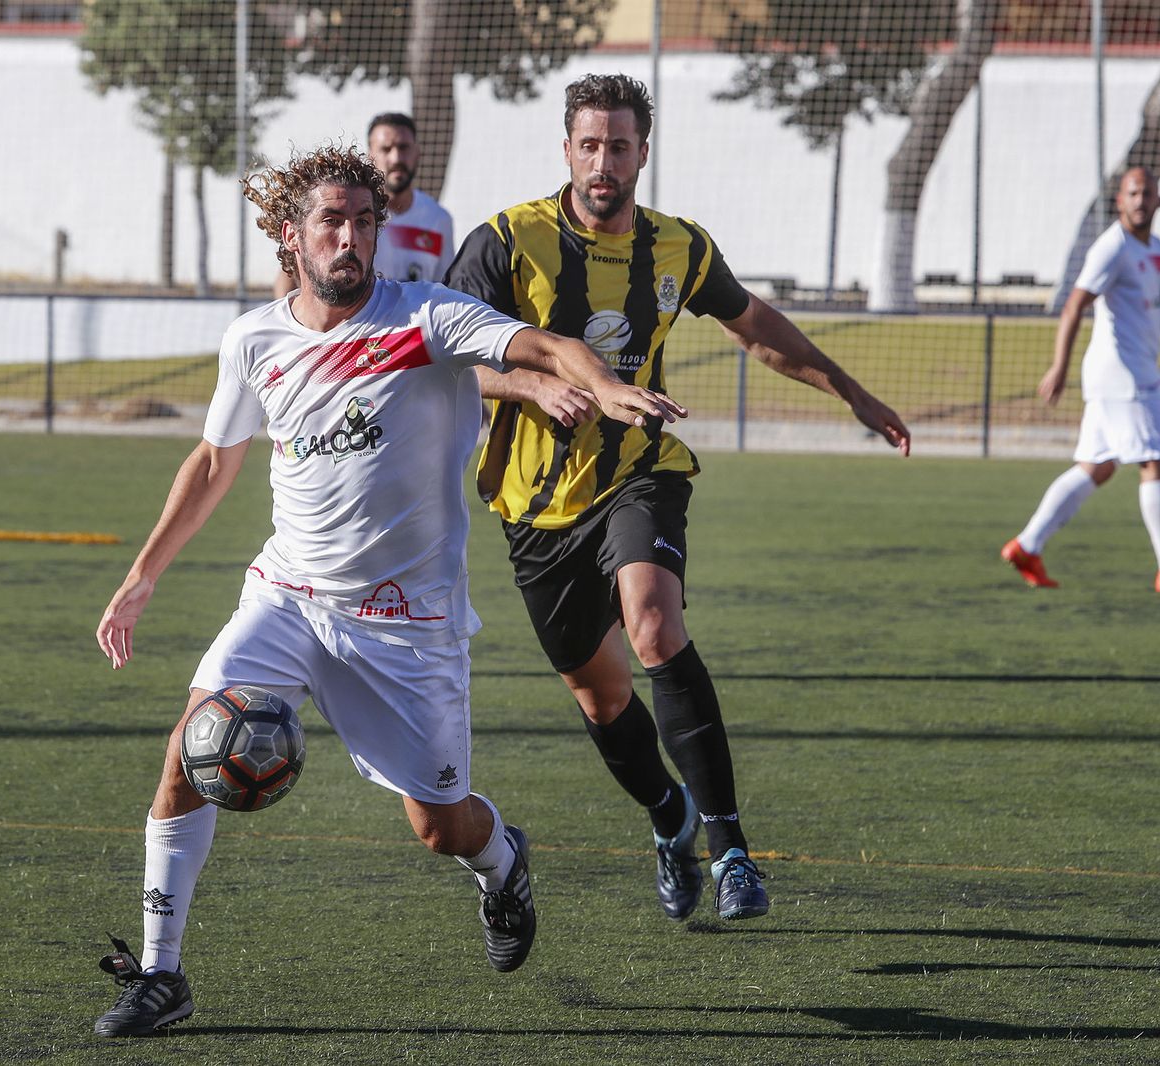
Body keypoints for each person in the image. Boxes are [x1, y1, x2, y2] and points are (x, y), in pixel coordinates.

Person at [91, 143, 683, 1038]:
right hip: (288, 595)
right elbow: (214, 461)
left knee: (441, 826)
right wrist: (140, 579)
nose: (351, 238)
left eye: (364, 222)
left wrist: (601, 384)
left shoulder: (423, 316)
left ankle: (503, 866)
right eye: (332, 221)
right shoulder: (253, 340)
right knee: (189, 751)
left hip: (408, 623)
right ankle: (160, 973)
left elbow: (543, 345)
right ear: (291, 235)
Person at [445, 73, 911, 924]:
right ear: (566, 150)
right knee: (602, 699)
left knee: (656, 627)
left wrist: (848, 389)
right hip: (536, 509)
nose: (603, 163)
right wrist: (531, 386)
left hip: (640, 471)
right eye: (590, 145)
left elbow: (755, 326)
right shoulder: (507, 241)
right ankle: (671, 817)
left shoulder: (679, 247)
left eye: (619, 147)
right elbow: (444, 356)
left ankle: (732, 853)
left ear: (642, 154)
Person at [1002, 166, 1160, 592]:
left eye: (1147, 193)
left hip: (1124, 375)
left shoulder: (1156, 247)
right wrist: (1059, 366)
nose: (1140, 201)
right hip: (1126, 375)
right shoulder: (1112, 247)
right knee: (1156, 460)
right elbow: (1074, 305)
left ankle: (1028, 546)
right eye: (1132, 194)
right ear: (1120, 201)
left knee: (1098, 466)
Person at [271, 112, 454, 298]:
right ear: (370, 155)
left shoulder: (438, 219)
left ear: (417, 153)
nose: (396, 158)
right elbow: (291, 273)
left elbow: (446, 287)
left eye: (403, 148)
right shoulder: (349, 213)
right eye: (386, 149)